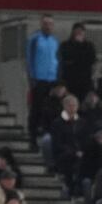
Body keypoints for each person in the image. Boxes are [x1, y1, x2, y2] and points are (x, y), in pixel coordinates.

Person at [26, 15, 59, 147]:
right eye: (45, 23)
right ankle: (32, 138)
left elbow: (56, 61)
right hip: (38, 79)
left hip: (51, 80)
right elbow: (29, 60)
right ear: (41, 24)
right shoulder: (34, 39)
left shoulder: (54, 41)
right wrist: (32, 78)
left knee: (51, 110)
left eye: (50, 24)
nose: (48, 26)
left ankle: (48, 136)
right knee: (36, 109)